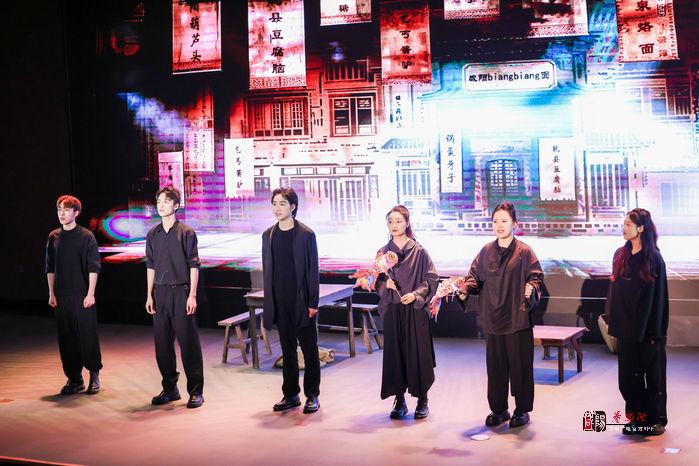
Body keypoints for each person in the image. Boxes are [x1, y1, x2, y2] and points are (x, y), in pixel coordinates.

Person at [458, 202, 543, 428]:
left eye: (504, 221)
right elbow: (474, 278)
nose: (499, 225)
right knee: (495, 368)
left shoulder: (524, 251)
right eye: (495, 221)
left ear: (515, 223)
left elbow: (536, 277)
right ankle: (499, 409)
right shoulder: (486, 251)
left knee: (520, 366)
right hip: (493, 317)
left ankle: (522, 410)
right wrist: (465, 289)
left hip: (517, 317)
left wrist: (531, 287)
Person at [606, 208, 669, 436]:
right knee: (628, 380)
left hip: (649, 331)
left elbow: (659, 299)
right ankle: (637, 418)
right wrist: (613, 323)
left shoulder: (654, 259)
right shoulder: (620, 255)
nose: (623, 228)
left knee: (653, 378)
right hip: (626, 329)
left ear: (641, 228)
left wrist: (656, 332)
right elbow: (615, 292)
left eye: (628, 224)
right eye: (623, 224)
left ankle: (655, 420)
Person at [374, 205, 439, 419]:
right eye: (390, 221)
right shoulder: (383, 253)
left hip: (414, 309)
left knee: (418, 354)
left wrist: (416, 294)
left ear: (407, 223)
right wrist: (384, 285)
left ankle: (422, 400)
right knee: (396, 355)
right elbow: (376, 279)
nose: (394, 225)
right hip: (393, 308)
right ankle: (399, 400)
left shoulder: (419, 251)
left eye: (398, 221)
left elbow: (431, 279)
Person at [262, 187, 321, 414]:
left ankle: (312, 395)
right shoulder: (268, 235)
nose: (277, 208)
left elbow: (313, 271)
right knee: (287, 350)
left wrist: (312, 303)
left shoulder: (306, 234)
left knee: (309, 350)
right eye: (275, 204)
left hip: (301, 301)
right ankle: (291, 394)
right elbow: (268, 271)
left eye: (282, 204)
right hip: (280, 302)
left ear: (293, 207)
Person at [145, 186, 204, 409]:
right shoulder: (153, 234)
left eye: (166, 201)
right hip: (160, 293)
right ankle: (170, 389)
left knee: (188, 344)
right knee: (162, 346)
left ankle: (196, 391)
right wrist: (149, 294)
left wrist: (192, 295)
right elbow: (151, 266)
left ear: (176, 205)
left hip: (181, 292)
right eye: (159, 201)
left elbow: (194, 265)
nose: (161, 205)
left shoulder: (186, 232)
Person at [45, 195, 103, 395]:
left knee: (87, 335)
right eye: (59, 210)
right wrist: (51, 293)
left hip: (82, 294)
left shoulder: (86, 236)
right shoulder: (54, 237)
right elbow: (49, 267)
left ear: (76, 212)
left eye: (66, 210)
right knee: (66, 338)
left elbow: (93, 266)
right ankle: (74, 379)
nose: (61, 213)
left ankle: (94, 375)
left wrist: (91, 293)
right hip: (62, 295)